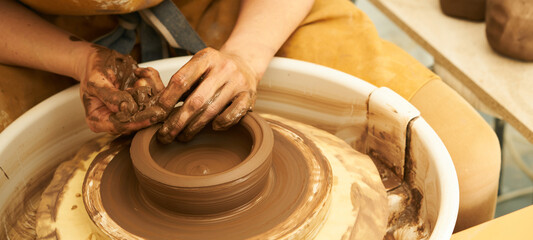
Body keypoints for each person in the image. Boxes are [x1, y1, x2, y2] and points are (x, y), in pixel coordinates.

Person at [0, 0, 500, 232]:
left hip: (238, 6)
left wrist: (247, 54)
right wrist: (75, 59)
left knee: (468, 165)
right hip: (41, 27)